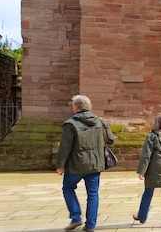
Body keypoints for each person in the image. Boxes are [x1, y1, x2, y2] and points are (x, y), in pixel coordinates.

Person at [56, 94, 115, 232]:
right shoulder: (101, 122)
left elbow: (65, 147)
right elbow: (111, 140)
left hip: (76, 165)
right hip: (95, 164)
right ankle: (91, 225)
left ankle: (76, 217)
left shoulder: (70, 124)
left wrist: (60, 165)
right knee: (93, 194)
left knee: (68, 188)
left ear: (76, 108)